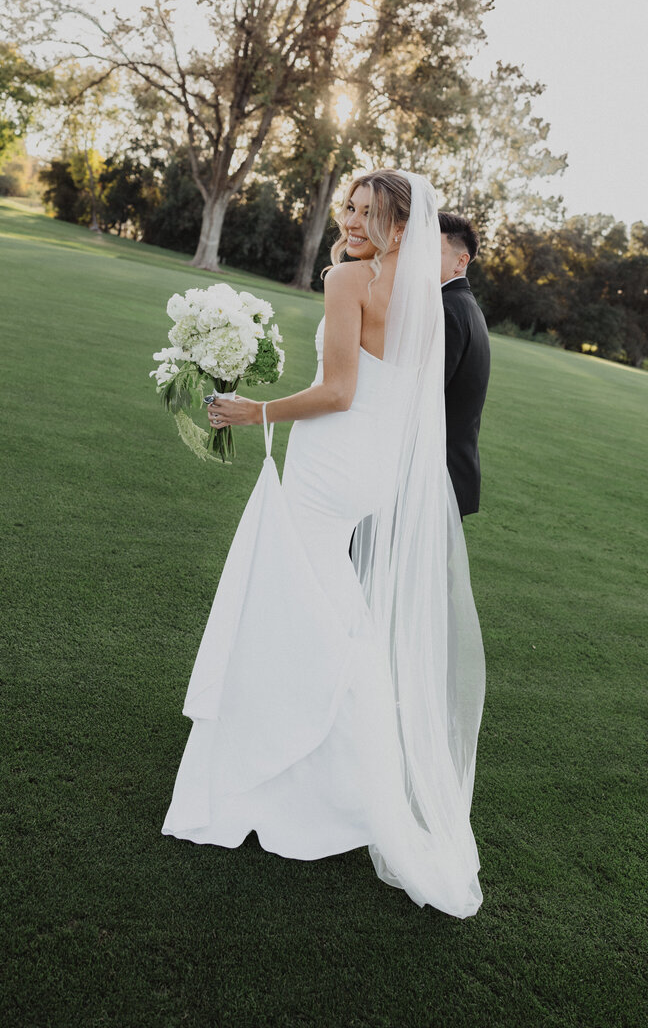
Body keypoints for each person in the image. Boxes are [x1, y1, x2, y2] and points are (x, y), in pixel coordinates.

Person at [162, 170, 486, 919]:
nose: (352, 221)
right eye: (350, 207)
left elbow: (339, 390)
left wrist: (253, 411)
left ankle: (298, 774)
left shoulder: (350, 281)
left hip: (330, 461)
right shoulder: (422, 295)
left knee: (290, 608)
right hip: (370, 471)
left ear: (402, 226)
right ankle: (342, 768)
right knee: (329, 610)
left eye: (371, 213)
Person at [439, 213, 491, 517]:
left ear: (461, 261)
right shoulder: (464, 304)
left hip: (437, 475)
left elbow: (422, 394)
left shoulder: (448, 309)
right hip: (450, 471)